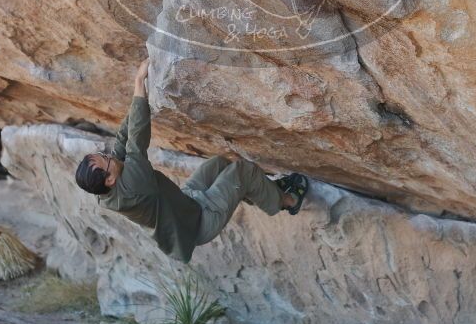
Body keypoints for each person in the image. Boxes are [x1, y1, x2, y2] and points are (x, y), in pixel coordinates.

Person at [73, 58, 309, 263]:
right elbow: (136, 141)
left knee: (219, 164)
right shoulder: (133, 187)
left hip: (189, 201)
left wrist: (143, 97)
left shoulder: (109, 184)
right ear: (110, 180)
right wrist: (138, 82)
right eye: (106, 160)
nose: (109, 156)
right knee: (243, 170)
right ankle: (288, 201)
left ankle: (265, 192)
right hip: (200, 223)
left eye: (103, 154)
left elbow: (122, 140)